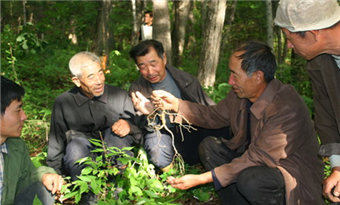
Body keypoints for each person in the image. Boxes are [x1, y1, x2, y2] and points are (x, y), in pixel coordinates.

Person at [135, 41, 325, 204]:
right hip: (253, 159)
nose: (230, 81)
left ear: (257, 76)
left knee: (250, 179)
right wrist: (177, 105)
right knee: (210, 147)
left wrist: (201, 179)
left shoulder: (286, 107)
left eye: (235, 75)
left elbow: (258, 158)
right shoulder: (240, 94)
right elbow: (212, 115)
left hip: (288, 174)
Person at [274, 0, 340, 202]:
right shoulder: (319, 62)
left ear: (312, 34)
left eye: (288, 37)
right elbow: (326, 116)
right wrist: (338, 168)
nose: (289, 46)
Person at [129, 39, 229, 172]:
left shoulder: (186, 80)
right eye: (143, 67)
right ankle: (173, 177)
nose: (150, 71)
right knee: (155, 145)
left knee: (224, 127)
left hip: (192, 129)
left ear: (164, 58)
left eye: (154, 64)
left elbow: (208, 112)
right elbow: (139, 128)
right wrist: (151, 115)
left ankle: (220, 165)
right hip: (167, 136)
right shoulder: (137, 90)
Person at [46, 52, 141, 183]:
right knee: (75, 148)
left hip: (114, 156)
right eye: (91, 77)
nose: (99, 81)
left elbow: (141, 132)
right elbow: (56, 143)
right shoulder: (64, 102)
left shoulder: (119, 96)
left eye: (100, 73)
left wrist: (130, 127)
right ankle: (87, 194)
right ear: (77, 81)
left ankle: (117, 187)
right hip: (81, 160)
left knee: (116, 137)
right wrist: (56, 175)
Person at [1, 76, 63, 205]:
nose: (24, 116)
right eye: (17, 110)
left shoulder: (15, 145)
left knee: (43, 189)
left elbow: (29, 174)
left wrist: (45, 175)